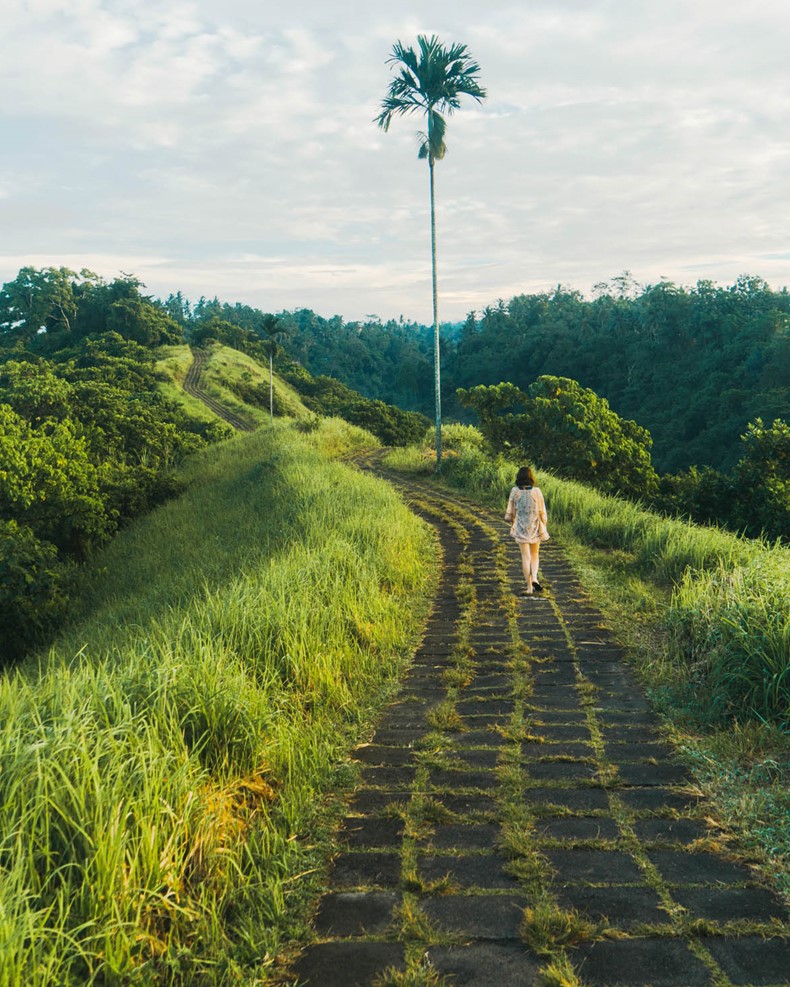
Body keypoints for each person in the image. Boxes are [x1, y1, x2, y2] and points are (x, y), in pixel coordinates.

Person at [504, 465, 549, 595]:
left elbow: (510, 513)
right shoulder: (537, 491)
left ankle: (529, 588)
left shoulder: (515, 491)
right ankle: (535, 577)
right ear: (531, 477)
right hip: (535, 525)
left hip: (521, 527)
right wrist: (544, 523)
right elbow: (542, 511)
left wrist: (512, 521)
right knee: (535, 554)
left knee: (525, 557)